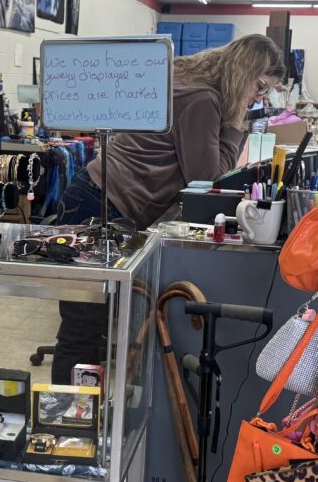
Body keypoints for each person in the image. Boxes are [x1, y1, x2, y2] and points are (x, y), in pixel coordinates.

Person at [51, 34, 286, 384]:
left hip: (101, 200)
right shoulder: (201, 100)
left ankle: (85, 410)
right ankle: (65, 412)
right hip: (100, 206)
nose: (259, 98)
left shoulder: (192, 86)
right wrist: (237, 126)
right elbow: (206, 178)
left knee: (92, 327)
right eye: (260, 87)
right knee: (83, 328)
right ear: (243, 74)